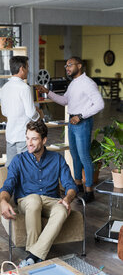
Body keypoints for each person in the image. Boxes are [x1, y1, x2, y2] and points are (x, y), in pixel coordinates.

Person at [0, 120, 78, 267]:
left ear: (44, 140)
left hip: (51, 200)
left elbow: (71, 185)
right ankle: (36, 256)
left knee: (62, 211)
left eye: (34, 139)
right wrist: (3, 201)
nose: (29, 143)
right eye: (27, 138)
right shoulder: (18, 160)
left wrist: (67, 199)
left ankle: (33, 256)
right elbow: (8, 185)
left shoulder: (57, 159)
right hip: (27, 200)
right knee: (34, 200)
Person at [37, 57, 104, 203]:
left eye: (70, 65)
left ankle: (89, 190)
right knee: (75, 155)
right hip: (73, 122)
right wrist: (47, 91)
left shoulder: (88, 83)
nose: (67, 68)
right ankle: (78, 184)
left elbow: (100, 104)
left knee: (84, 156)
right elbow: (64, 101)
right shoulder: (74, 83)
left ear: (79, 66)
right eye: (66, 65)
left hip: (82, 122)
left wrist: (80, 116)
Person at [0, 55, 42, 166]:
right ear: (22, 68)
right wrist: (39, 115)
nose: (28, 70)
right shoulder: (24, 88)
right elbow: (31, 113)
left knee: (12, 167)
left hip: (10, 134)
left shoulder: (4, 87)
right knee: (27, 167)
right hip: (24, 134)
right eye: (27, 67)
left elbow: (4, 112)